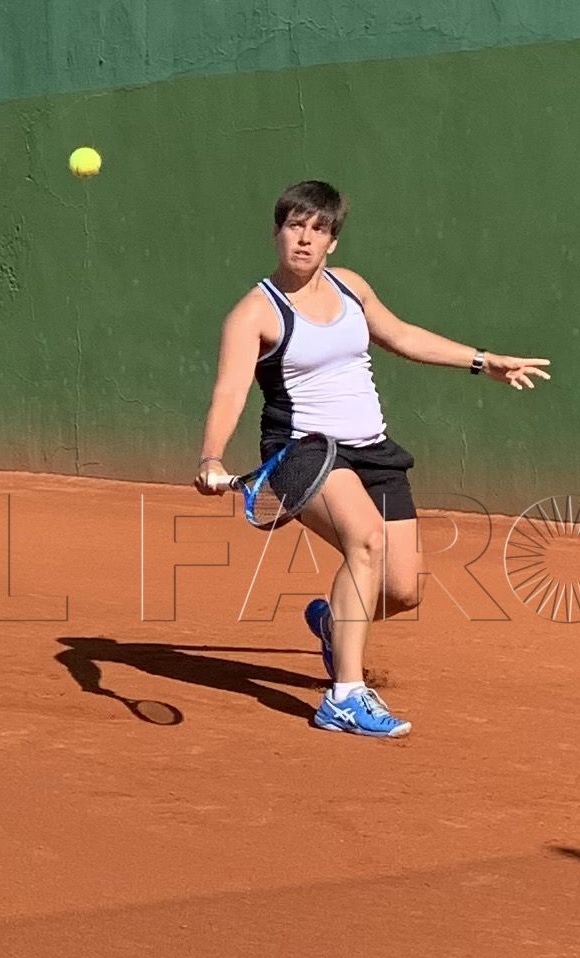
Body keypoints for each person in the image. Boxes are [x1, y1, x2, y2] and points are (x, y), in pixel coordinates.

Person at [195, 180, 550, 738]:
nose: (305, 240)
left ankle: (334, 623)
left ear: (332, 241)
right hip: (303, 451)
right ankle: (345, 695)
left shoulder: (352, 288)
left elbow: (403, 336)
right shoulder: (253, 314)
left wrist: (483, 361)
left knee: (404, 591)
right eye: (295, 227)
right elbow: (231, 391)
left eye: (319, 230)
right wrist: (212, 456)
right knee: (367, 541)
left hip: (374, 450)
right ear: (276, 233)